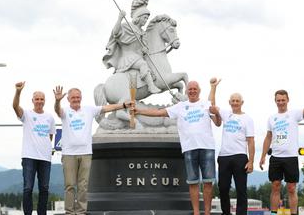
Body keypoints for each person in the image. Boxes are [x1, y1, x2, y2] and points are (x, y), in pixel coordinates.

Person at [133, 81, 221, 215]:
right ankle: (196, 212)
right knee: (193, 182)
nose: (192, 91)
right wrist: (139, 111)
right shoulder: (180, 106)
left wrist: (218, 113)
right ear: (186, 91)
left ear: (199, 90)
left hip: (207, 147)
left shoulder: (206, 104)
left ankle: (207, 212)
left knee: (208, 182)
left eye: (194, 89)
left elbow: (218, 123)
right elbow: (159, 113)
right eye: (190, 89)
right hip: (189, 148)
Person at [53, 86, 132, 215]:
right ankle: (69, 211)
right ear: (68, 99)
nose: (76, 99)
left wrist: (123, 105)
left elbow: (107, 108)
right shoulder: (65, 112)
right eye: (73, 97)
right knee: (70, 185)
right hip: (69, 154)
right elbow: (57, 110)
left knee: (83, 185)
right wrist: (57, 101)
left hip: (85, 153)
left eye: (78, 97)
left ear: (81, 98)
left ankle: (81, 211)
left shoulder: (88, 110)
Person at [259, 82, 304, 215]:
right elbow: (268, 137)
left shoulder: (294, 114)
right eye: (278, 100)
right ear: (275, 101)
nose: (281, 103)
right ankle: (274, 213)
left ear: (287, 100)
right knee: (275, 187)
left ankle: (293, 213)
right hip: (276, 157)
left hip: (290, 157)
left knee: (291, 188)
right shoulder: (271, 118)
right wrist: (263, 156)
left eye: (283, 100)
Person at [209, 78, 255, 215]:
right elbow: (211, 106)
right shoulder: (225, 113)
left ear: (242, 103)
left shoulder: (248, 119)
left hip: (240, 156)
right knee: (223, 188)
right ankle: (226, 212)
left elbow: (251, 141)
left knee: (241, 189)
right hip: (224, 156)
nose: (235, 103)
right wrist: (213, 87)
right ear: (229, 102)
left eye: (237, 101)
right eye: (233, 100)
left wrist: (251, 161)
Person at [12, 81, 56, 215]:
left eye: (42, 99)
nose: (39, 101)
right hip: (29, 157)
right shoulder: (27, 114)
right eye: (37, 99)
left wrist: (45, 148)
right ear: (32, 100)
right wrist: (18, 91)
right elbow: (15, 106)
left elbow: (50, 136)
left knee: (44, 188)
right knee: (28, 188)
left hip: (45, 158)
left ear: (45, 101)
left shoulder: (50, 117)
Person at [102, 0, 161, 94]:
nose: (146, 20)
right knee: (143, 64)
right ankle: (151, 87)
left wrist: (144, 50)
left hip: (137, 57)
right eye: (144, 18)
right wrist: (120, 19)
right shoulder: (127, 26)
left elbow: (143, 48)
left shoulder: (142, 32)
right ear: (138, 17)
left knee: (149, 65)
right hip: (127, 58)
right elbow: (116, 33)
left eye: (147, 18)